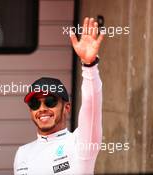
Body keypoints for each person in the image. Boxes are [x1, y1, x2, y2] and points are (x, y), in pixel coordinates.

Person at [14, 17, 104, 175]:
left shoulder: (80, 143)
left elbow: (92, 108)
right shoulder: (22, 153)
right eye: (35, 104)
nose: (42, 109)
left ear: (66, 107)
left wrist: (89, 66)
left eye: (50, 101)